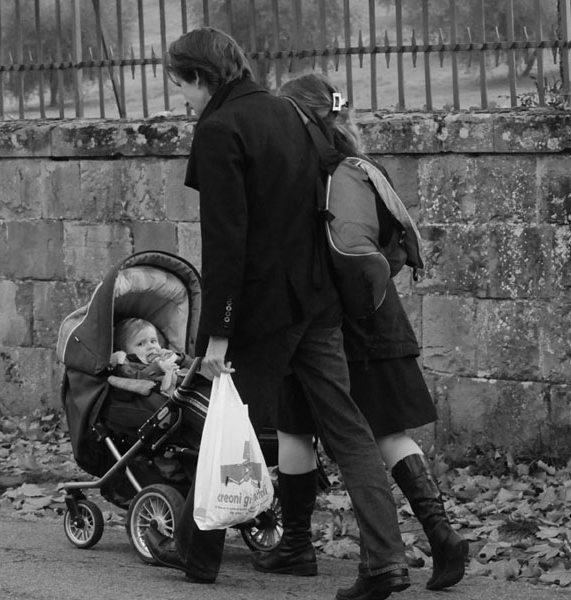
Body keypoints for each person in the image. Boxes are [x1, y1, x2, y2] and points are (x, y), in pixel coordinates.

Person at [143, 27, 410, 600]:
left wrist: (216, 335)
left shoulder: (219, 129)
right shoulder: (292, 113)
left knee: (228, 426)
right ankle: (386, 560)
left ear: (200, 77)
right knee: (349, 430)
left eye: (181, 86)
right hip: (317, 301)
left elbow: (225, 243)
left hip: (263, 312)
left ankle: (198, 551)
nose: (182, 100)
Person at [277, 72, 469, 591]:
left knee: (295, 426)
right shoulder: (363, 167)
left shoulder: (309, 171)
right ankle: (441, 533)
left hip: (327, 318)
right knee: (388, 432)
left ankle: (295, 545)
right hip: (380, 312)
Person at [110, 317, 192, 395]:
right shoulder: (128, 367)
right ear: (124, 352)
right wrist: (157, 367)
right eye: (140, 344)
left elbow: (197, 366)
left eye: (153, 341)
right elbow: (132, 380)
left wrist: (179, 359)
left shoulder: (165, 358)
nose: (151, 346)